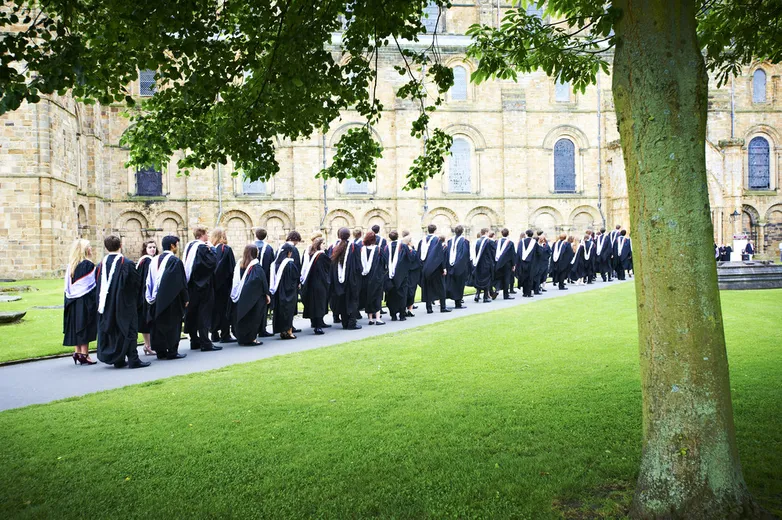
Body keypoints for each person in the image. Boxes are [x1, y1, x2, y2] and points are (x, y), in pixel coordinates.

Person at [95, 235, 149, 369]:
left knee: (114, 331)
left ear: (106, 247)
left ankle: (118, 359)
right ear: (120, 246)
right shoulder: (127, 264)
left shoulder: (100, 265)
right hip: (125, 304)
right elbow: (135, 285)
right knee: (129, 330)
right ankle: (133, 359)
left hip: (106, 305)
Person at [145, 235, 189, 360]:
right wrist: (185, 298)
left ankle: (160, 351)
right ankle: (172, 351)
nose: (177, 248)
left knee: (158, 324)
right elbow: (180, 282)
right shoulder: (174, 261)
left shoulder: (154, 260)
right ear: (172, 246)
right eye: (176, 245)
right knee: (172, 324)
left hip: (154, 299)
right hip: (171, 301)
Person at [184, 226, 220, 351]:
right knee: (203, 313)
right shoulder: (202, 247)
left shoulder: (189, 246)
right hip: (203, 286)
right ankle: (206, 342)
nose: (208, 236)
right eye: (207, 234)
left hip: (191, 285)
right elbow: (212, 263)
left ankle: (194, 340)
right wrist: (214, 250)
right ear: (203, 234)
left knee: (192, 312)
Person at [63, 238, 98, 365]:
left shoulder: (71, 265)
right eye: (89, 246)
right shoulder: (87, 265)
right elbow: (91, 285)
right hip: (84, 301)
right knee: (84, 325)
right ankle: (85, 354)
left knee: (76, 325)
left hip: (72, 301)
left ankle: (77, 352)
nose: (91, 248)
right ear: (84, 250)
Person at [230, 244, 270, 346]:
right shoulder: (255, 266)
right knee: (253, 317)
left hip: (241, 296)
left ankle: (242, 338)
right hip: (254, 297)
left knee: (243, 317)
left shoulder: (240, 263)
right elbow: (261, 281)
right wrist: (266, 294)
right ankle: (251, 339)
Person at [331, 227, 363, 329]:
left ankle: (345, 322)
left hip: (339, 280)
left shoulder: (335, 248)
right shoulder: (355, 247)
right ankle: (352, 323)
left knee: (342, 300)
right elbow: (358, 265)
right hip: (352, 280)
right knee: (353, 300)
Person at [209, 228, 236, 343]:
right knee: (225, 309)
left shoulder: (211, 249)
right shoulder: (226, 249)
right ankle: (225, 334)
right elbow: (231, 268)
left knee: (215, 309)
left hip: (212, 285)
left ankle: (214, 334)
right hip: (224, 285)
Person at [301, 238, 331, 334]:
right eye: (323, 243)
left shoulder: (313, 254)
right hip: (319, 284)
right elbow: (325, 271)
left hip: (312, 283)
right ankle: (318, 327)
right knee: (319, 304)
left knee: (314, 304)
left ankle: (316, 323)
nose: (324, 245)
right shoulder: (321, 256)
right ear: (318, 245)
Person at [270, 243, 301, 339]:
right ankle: (289, 331)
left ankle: (282, 331)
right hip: (288, 292)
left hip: (279, 292)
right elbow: (294, 277)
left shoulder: (276, 264)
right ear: (289, 253)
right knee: (288, 311)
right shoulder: (289, 264)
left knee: (280, 311)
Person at [418, 224, 450, 314]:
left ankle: (429, 308)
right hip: (436, 269)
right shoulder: (437, 240)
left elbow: (419, 254)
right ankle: (443, 307)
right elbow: (440, 256)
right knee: (441, 287)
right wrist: (443, 268)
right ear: (435, 230)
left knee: (428, 288)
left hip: (425, 268)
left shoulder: (422, 241)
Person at [136, 240, 158, 356]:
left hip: (142, 295)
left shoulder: (144, 261)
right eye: (150, 247)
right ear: (145, 249)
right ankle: (148, 345)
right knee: (147, 320)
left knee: (146, 320)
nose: (153, 249)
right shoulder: (147, 261)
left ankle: (147, 345)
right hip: (146, 296)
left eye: (154, 247)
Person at [385, 231, 415, 321]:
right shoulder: (403, 246)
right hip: (402, 275)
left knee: (391, 295)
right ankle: (402, 315)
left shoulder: (386, 248)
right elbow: (410, 259)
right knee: (402, 294)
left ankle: (393, 315)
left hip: (390, 275)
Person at [361, 231, 387, 325]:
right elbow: (385, 263)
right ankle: (377, 319)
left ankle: (370, 319)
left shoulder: (362, 250)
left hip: (365, 277)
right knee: (377, 296)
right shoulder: (378, 250)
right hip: (377, 278)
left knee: (368, 297)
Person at [253, 227, 275, 337]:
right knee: (264, 305)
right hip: (265, 279)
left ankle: (254, 328)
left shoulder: (250, 247)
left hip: (251, 280)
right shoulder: (269, 248)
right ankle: (262, 328)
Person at [445, 225, 470, 309]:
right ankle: (458, 303)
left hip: (450, 266)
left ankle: (450, 300)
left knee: (451, 284)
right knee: (459, 284)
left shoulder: (450, 241)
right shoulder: (464, 241)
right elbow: (465, 255)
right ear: (462, 231)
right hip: (460, 267)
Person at [471, 227, 495, 303]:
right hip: (487, 263)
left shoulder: (476, 242)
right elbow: (493, 253)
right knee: (487, 280)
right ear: (486, 232)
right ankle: (485, 297)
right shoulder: (489, 241)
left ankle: (477, 295)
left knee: (479, 279)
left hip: (478, 263)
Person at [492, 228, 515, 300]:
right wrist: (514, 264)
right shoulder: (510, 243)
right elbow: (512, 255)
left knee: (499, 277)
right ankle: (506, 295)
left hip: (498, 262)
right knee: (506, 278)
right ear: (508, 234)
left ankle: (497, 289)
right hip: (507, 264)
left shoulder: (497, 242)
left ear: (501, 234)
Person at [516, 229, 539, 297]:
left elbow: (518, 252)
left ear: (526, 234)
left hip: (522, 263)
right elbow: (539, 252)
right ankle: (528, 293)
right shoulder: (534, 242)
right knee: (530, 278)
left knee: (524, 277)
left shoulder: (521, 242)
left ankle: (524, 292)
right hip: (531, 263)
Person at [404, 231, 420, 318]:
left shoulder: (402, 251)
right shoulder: (412, 252)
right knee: (411, 290)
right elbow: (417, 263)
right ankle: (410, 309)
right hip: (412, 273)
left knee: (407, 290)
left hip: (406, 273)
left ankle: (407, 309)